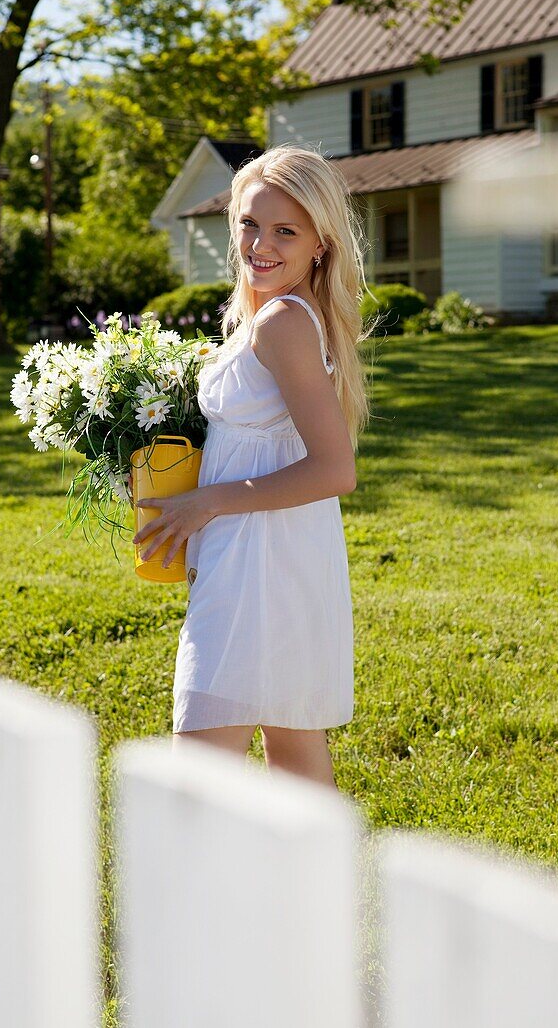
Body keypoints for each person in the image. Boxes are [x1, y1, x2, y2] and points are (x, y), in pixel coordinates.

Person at [131, 143, 377, 790]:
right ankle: (318, 892)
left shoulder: (283, 324)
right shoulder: (272, 316)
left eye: (284, 231)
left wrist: (205, 503)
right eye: (249, 223)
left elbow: (334, 470)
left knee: (196, 784)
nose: (259, 243)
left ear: (320, 244)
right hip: (267, 556)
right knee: (294, 761)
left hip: (258, 567)